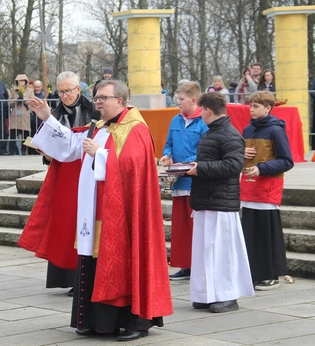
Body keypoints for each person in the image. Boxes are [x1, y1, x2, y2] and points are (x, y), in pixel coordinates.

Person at [26, 80, 173, 341]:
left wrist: (101, 155)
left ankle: (133, 322)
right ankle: (95, 321)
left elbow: (133, 166)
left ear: (121, 100)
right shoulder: (98, 127)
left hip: (123, 216)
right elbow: (71, 145)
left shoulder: (135, 128)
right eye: (96, 98)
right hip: (94, 211)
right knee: (93, 262)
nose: (98, 102)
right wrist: (47, 117)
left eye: (104, 98)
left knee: (122, 261)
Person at [19, 71, 94, 297]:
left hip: (86, 171)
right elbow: (47, 145)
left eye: (69, 91)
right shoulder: (55, 113)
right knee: (64, 222)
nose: (65, 96)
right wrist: (46, 152)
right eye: (61, 92)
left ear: (78, 89)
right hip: (64, 173)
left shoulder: (94, 110)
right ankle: (67, 276)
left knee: (82, 220)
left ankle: (85, 276)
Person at [187, 92, 254, 313]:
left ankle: (228, 295)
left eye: (201, 110)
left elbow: (234, 166)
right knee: (205, 251)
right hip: (207, 198)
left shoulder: (230, 134)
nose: (200, 113)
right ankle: (207, 293)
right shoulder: (213, 133)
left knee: (223, 252)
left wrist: (201, 168)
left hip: (222, 202)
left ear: (207, 110)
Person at [241, 91, 294, 291]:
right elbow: (242, 156)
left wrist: (261, 168)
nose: (251, 109)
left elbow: (287, 161)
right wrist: (241, 151)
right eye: (251, 105)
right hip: (248, 188)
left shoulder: (275, 131)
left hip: (267, 190)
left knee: (267, 234)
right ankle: (255, 273)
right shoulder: (247, 130)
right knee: (251, 234)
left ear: (268, 108)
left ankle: (271, 274)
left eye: (255, 106)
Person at [160, 81, 208, 281]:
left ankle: (198, 265)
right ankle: (185, 265)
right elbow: (169, 144)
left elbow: (207, 149)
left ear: (194, 100)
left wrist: (194, 164)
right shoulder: (175, 121)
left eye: (181, 99)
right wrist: (166, 156)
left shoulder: (204, 122)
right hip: (179, 181)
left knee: (195, 227)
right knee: (180, 228)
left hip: (196, 182)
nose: (177, 102)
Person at [8, 74, 34, 155]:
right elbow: (9, 102)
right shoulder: (13, 90)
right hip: (15, 114)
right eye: (19, 81)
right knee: (13, 134)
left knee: (25, 134)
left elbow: (32, 101)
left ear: (26, 81)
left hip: (25, 114)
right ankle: (11, 151)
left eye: (23, 80)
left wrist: (24, 100)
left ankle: (24, 150)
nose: (21, 82)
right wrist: (16, 100)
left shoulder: (30, 91)